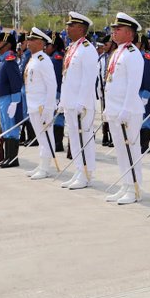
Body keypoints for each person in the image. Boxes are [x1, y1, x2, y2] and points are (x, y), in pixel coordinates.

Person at [103, 12, 148, 205]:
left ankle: (135, 188)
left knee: (131, 150)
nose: (114, 32)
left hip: (128, 111)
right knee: (121, 151)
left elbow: (133, 84)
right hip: (115, 109)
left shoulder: (132, 54)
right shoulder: (117, 52)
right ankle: (125, 185)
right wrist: (108, 108)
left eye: (118, 29)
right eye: (113, 29)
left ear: (129, 33)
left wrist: (126, 109)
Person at [59, 12, 99, 188]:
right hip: (70, 103)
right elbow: (67, 78)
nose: (67, 28)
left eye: (71, 25)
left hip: (81, 105)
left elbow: (89, 78)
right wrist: (63, 100)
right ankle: (78, 171)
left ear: (81, 29)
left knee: (84, 139)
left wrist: (81, 102)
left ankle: (86, 173)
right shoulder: (72, 48)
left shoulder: (87, 49)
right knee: (74, 139)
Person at [23, 28, 59, 179]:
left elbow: (52, 86)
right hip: (33, 105)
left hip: (42, 106)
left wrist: (49, 108)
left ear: (39, 42)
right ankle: (41, 165)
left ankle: (45, 168)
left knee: (45, 137)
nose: (28, 42)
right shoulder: (33, 59)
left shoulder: (44, 60)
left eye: (31, 40)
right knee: (40, 137)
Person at [0, 32, 23, 169]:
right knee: (6, 128)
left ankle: (13, 158)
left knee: (11, 128)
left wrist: (15, 102)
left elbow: (15, 83)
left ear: (7, 44)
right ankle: (7, 157)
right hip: (2, 98)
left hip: (9, 99)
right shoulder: (3, 60)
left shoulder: (10, 60)